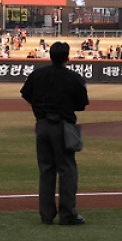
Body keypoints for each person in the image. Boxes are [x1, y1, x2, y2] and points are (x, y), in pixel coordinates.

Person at [20, 42, 89, 226]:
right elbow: (82, 104)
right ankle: (67, 215)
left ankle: (46, 214)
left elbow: (26, 94)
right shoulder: (73, 78)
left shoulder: (38, 74)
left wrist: (40, 105)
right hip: (63, 126)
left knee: (46, 170)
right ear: (67, 57)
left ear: (50, 56)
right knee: (67, 170)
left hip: (42, 125)